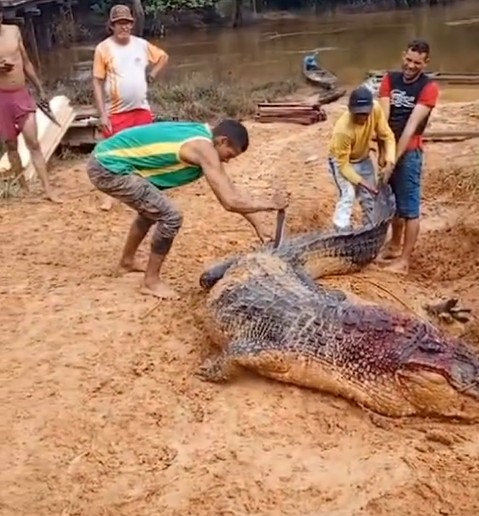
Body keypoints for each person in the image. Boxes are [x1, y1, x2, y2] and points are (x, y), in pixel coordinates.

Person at [86, 119, 288, 299]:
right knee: (171, 216)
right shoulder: (204, 149)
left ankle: (127, 262)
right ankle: (151, 282)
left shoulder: (204, 134)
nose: (227, 160)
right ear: (222, 141)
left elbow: (230, 189)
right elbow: (229, 201)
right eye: (229, 155)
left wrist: (259, 226)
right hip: (109, 168)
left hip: (107, 158)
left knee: (151, 210)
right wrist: (270, 204)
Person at [92, 4, 169, 211]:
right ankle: (111, 195)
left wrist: (153, 74)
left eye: (126, 23)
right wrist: (102, 114)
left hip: (141, 107)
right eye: (119, 23)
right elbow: (97, 81)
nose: (123, 27)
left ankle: (147, 188)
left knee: (144, 148)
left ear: (132, 24)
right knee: (114, 153)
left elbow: (163, 57)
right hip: (116, 110)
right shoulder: (103, 49)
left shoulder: (141, 45)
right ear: (112, 26)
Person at [378, 39, 440, 274]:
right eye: (409, 60)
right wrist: (384, 152)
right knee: (392, 203)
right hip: (389, 147)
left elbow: (412, 126)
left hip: (410, 150)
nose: (411, 66)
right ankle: (394, 246)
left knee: (410, 207)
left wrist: (394, 159)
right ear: (403, 55)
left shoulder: (429, 88)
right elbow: (383, 118)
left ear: (426, 62)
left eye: (417, 62)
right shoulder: (389, 79)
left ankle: (404, 261)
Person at [0, 4, 60, 203]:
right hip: (2, 99)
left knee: (33, 142)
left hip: (21, 94)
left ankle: (48, 189)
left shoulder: (13, 31)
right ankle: (24, 189)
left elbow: (25, 61)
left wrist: (39, 88)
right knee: (11, 145)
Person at [327, 86, 396, 231]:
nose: (362, 118)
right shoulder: (343, 130)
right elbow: (344, 166)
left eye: (365, 114)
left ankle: (370, 228)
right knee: (348, 194)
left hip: (363, 157)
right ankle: (342, 229)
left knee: (370, 197)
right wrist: (363, 182)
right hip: (342, 161)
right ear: (351, 110)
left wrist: (390, 160)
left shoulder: (376, 110)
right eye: (358, 114)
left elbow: (387, 136)